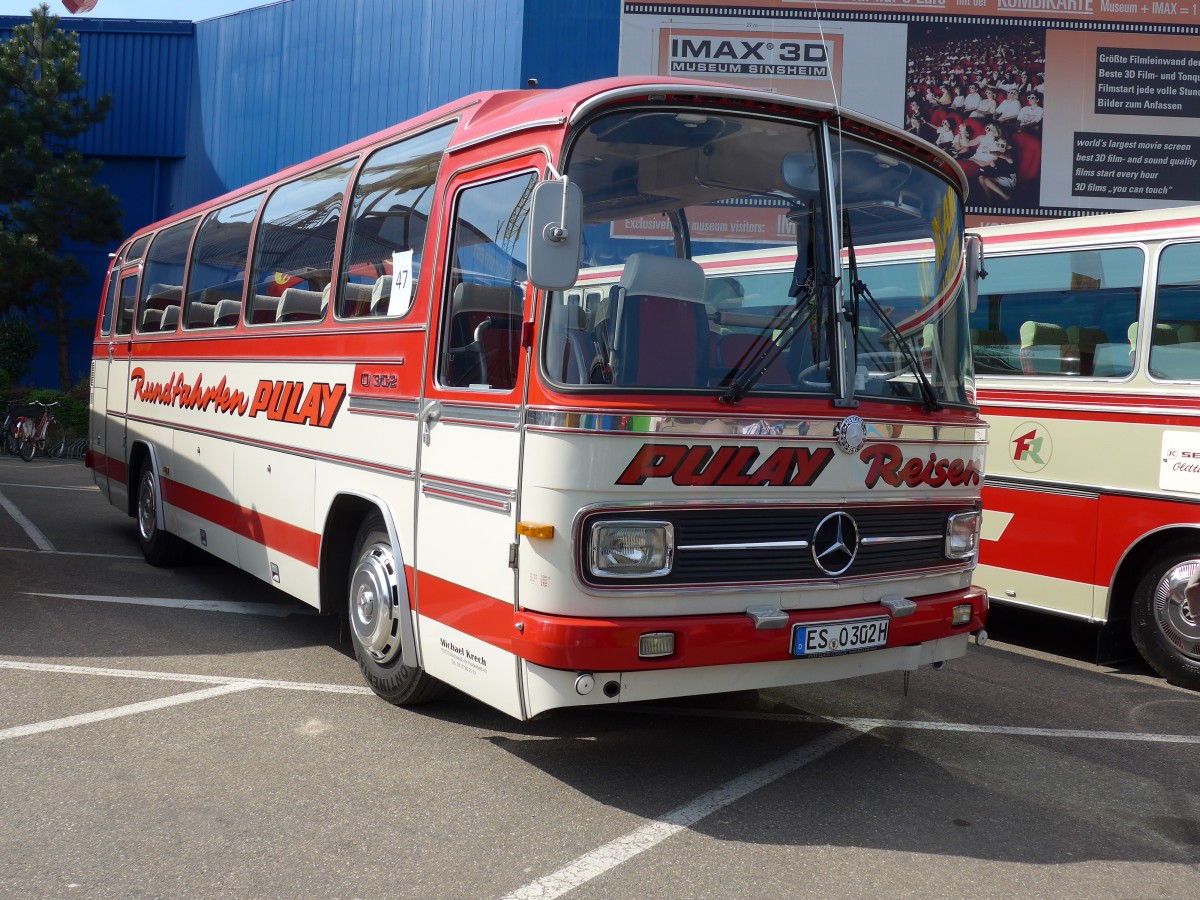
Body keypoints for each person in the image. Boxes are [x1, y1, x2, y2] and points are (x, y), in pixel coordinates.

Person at [978, 137, 1017, 202]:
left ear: (1008, 147)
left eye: (1002, 145)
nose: (999, 147)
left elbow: (1000, 155)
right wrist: (994, 166)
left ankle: (1007, 197)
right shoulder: (997, 155)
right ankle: (989, 199)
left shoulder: (1009, 155)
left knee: (987, 180)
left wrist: (990, 152)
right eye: (998, 145)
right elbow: (998, 170)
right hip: (1001, 177)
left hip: (1010, 179)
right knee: (981, 178)